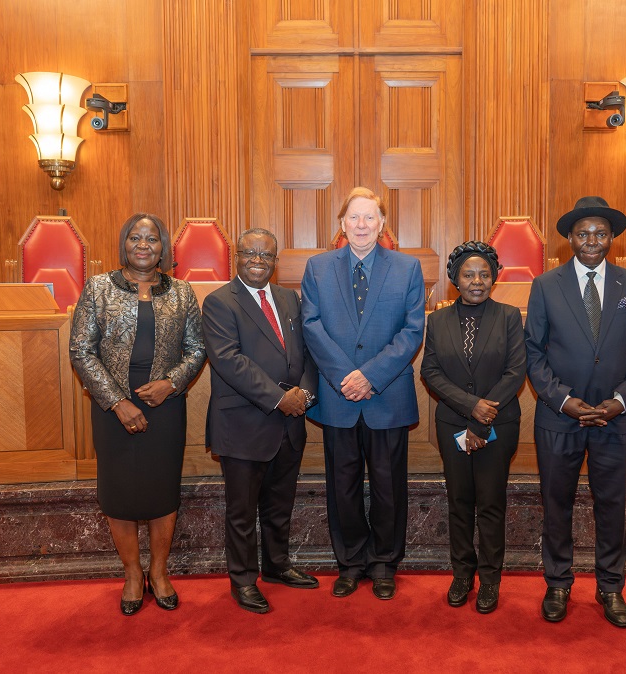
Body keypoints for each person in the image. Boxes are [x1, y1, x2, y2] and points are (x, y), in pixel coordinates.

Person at [524, 196, 626, 628]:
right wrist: (562, 399)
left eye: (600, 233)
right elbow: (533, 352)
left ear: (612, 238)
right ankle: (558, 583)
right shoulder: (545, 285)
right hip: (559, 417)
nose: (592, 241)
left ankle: (611, 587)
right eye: (583, 234)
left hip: (616, 419)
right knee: (556, 504)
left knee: (611, 506)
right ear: (569, 239)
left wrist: (620, 401)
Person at [69, 213, 206, 616]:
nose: (143, 245)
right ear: (123, 244)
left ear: (164, 246)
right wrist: (117, 401)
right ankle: (132, 574)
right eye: (135, 238)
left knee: (162, 491)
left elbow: (197, 349)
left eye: (152, 239)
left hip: (166, 406)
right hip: (112, 408)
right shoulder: (97, 288)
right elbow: (81, 349)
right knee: (119, 493)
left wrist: (171, 383)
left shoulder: (182, 293)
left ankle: (159, 572)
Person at [300, 186, 425, 600]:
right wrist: (344, 376)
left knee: (389, 485)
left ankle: (385, 562)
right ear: (341, 224)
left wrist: (370, 376)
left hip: (386, 395)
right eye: (354, 217)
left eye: (370, 217)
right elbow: (311, 325)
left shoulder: (407, 269)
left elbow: (412, 332)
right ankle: (351, 562)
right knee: (343, 485)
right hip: (338, 397)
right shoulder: (317, 268)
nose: (362, 225)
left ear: (383, 224)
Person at [202, 228, 320, 614]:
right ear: (236, 256)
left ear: (275, 261)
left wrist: (303, 393)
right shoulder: (220, 302)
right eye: (249, 253)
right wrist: (279, 399)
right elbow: (229, 361)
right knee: (241, 510)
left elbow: (305, 353)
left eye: (265, 255)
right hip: (243, 423)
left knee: (279, 504)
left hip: (289, 423)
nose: (257, 260)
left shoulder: (289, 298)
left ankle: (277, 565)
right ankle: (243, 580)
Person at [420, 241, 526, 614]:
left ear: (493, 278)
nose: (477, 281)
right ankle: (462, 574)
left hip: (498, 425)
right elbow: (429, 371)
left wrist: (485, 413)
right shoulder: (437, 320)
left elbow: (516, 371)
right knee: (460, 502)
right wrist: (471, 407)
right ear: (455, 279)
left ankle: (490, 579)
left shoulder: (510, 316)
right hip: (453, 424)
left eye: (484, 274)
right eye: (468, 274)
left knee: (492, 503)